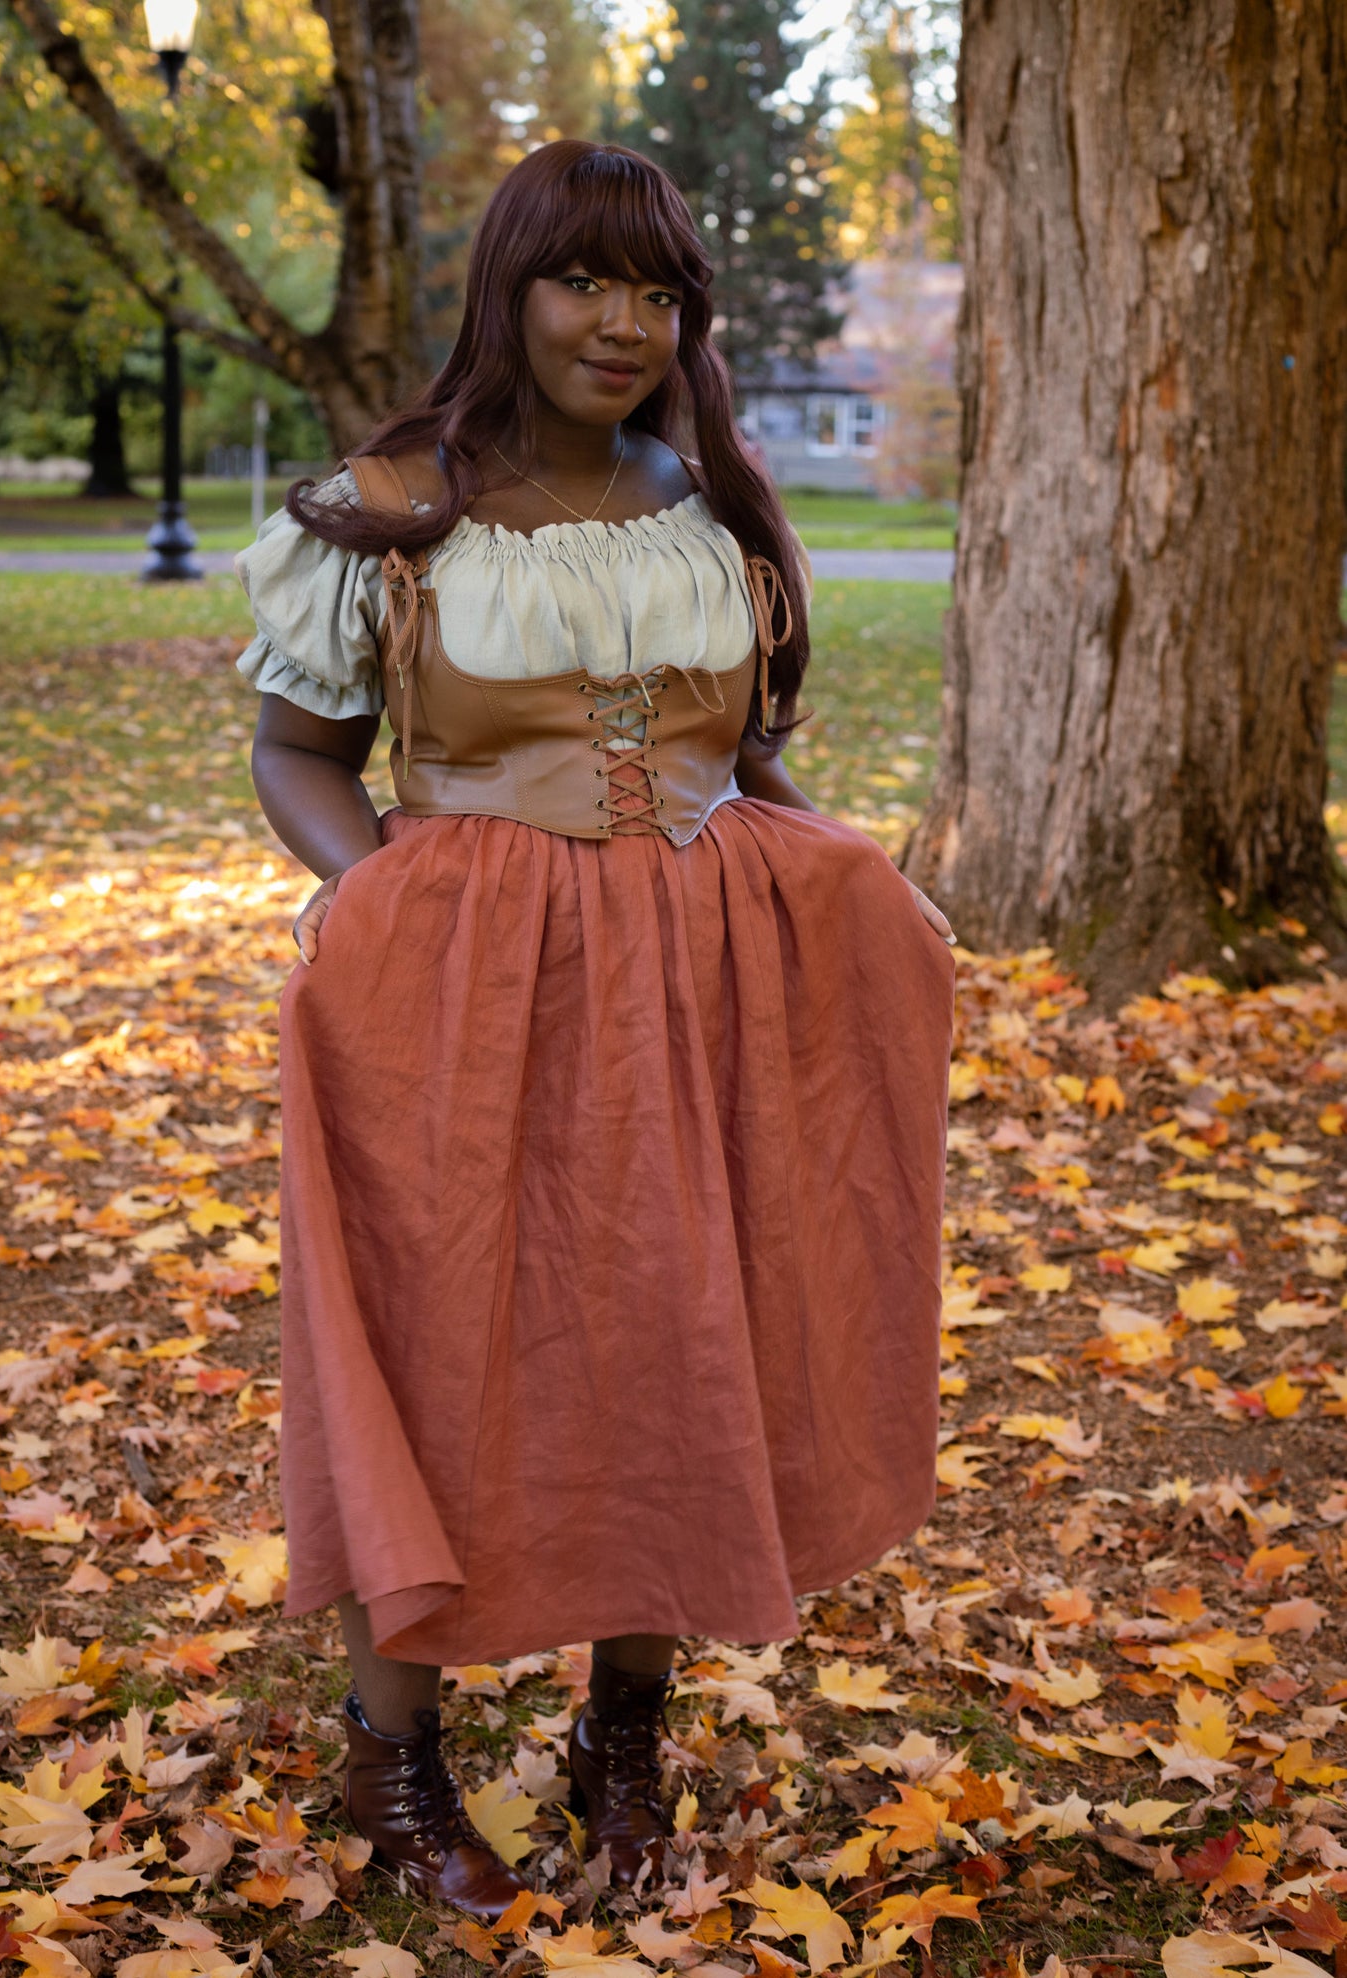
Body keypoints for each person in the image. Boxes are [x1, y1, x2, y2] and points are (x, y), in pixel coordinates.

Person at [234, 138, 956, 1920]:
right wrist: (368, 899)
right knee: (434, 1336)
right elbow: (296, 751)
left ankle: (621, 1736)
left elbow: (737, 754)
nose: (621, 323)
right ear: (511, 287)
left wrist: (857, 876)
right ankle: (394, 1752)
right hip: (457, 983)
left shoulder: (707, 502)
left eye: (655, 291)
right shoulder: (389, 504)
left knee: (672, 1332)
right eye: (583, 280)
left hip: (699, 982)